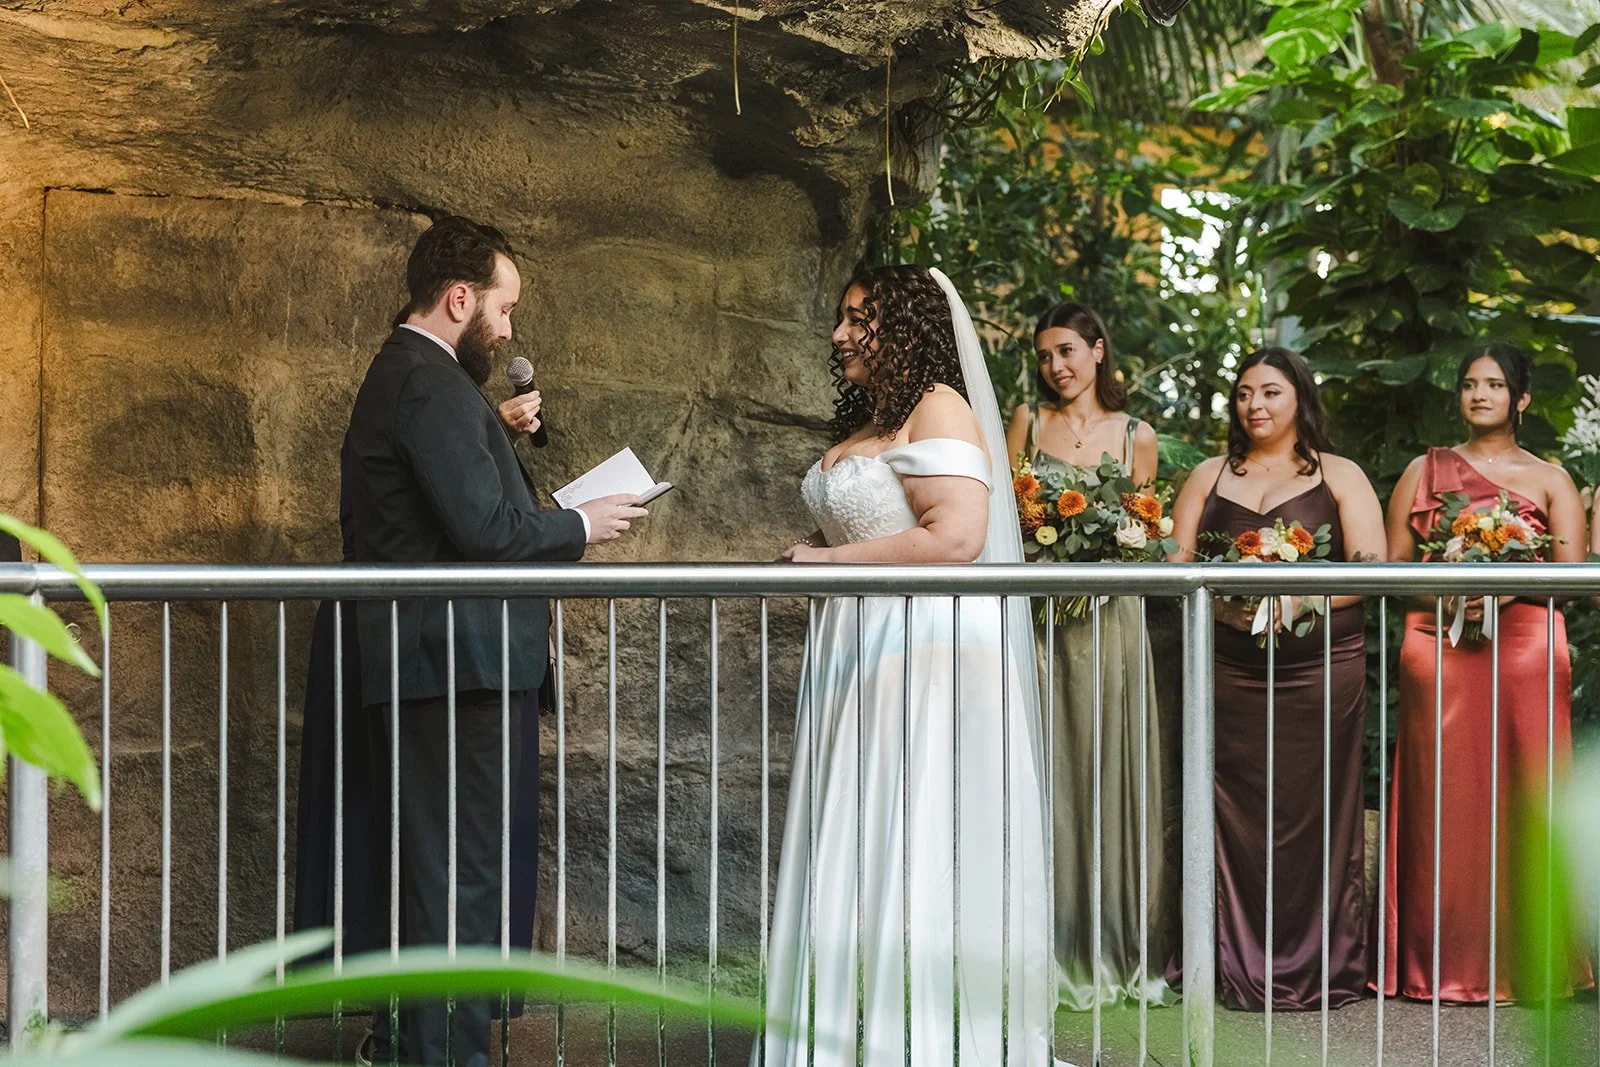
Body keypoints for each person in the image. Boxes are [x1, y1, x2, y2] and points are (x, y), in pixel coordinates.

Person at [343, 215, 646, 1066]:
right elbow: (483, 529)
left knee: (445, 873)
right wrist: (580, 525)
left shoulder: (414, 376)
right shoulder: (429, 382)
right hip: (455, 664)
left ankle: (424, 1048)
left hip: (443, 662)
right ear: (459, 298)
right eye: (504, 309)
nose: (509, 330)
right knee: (461, 877)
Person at [759, 265, 1054, 1065]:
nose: (839, 334)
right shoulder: (880, 418)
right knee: (856, 833)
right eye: (841, 317)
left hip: (922, 651)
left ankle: (913, 1041)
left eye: (859, 318)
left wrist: (827, 562)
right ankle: (843, 1032)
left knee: (911, 835)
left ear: (906, 327)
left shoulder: (941, 406)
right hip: (860, 650)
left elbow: (957, 536)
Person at [1166, 346, 1384, 1011]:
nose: (1254, 405)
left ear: (1300, 399)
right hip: (1228, 673)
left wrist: (1302, 599)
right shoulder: (1207, 475)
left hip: (1319, 673)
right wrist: (1220, 605)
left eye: (1269, 392)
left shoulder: (1339, 474)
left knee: (1313, 811)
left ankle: (1317, 956)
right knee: (1227, 810)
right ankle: (1225, 954)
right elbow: (1174, 568)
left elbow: (1371, 570)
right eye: (1243, 393)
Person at [1375, 341, 1593, 1002]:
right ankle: (1436, 959)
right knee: (1442, 797)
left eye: (1494, 384)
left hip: (1526, 643)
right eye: (1470, 383)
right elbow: (1390, 570)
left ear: (1520, 398)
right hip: (1438, 643)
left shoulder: (1551, 479)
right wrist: (1449, 592)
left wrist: (1508, 584)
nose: (1479, 394)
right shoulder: (1424, 470)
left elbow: (1576, 580)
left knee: (1529, 792)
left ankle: (1530, 958)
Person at [1002, 302, 1172, 1010]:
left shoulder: (1137, 435)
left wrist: (1115, 548)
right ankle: (1044, 944)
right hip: (1042, 619)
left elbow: (1144, 529)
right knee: (1046, 764)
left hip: (1111, 622)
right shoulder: (1026, 422)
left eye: (1067, 350)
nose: (1055, 366)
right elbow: (1006, 520)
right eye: (1045, 355)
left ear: (1098, 350)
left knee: (1108, 763)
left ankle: (1111, 945)